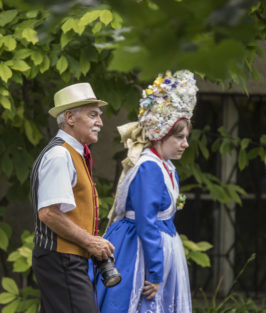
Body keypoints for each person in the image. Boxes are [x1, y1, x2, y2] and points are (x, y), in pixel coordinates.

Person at [94, 70, 198, 313]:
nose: (185, 143)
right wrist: (155, 271)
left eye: (186, 137)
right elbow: (146, 222)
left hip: (154, 247)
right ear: (161, 134)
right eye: (179, 137)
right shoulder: (149, 167)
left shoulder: (165, 165)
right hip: (138, 250)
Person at [30, 82, 115, 313]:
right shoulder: (60, 154)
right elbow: (48, 213)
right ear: (69, 117)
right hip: (62, 259)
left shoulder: (69, 152)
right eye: (93, 115)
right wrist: (91, 242)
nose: (100, 122)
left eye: (99, 116)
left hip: (65, 258)